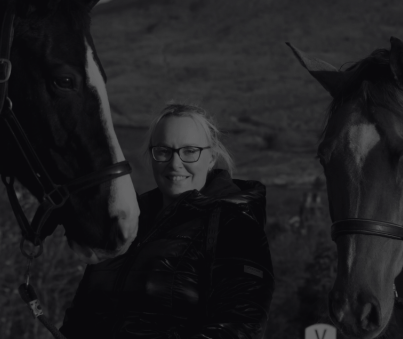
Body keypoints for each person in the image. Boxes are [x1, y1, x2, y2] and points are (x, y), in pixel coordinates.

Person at [60, 103, 275, 339]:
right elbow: (79, 317)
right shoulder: (125, 221)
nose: (175, 163)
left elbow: (240, 326)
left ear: (211, 158)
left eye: (190, 151)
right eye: (163, 151)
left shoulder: (234, 227)